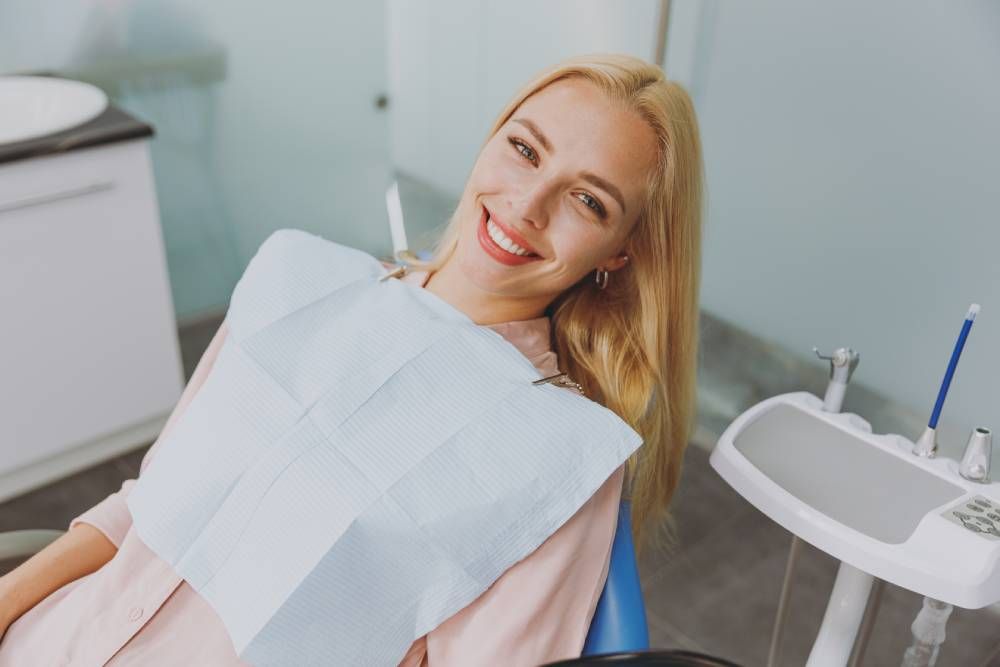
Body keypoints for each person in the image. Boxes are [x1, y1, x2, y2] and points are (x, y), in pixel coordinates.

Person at [0, 52, 703, 665]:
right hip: (49, 640)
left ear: (620, 251)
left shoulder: (563, 458)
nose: (527, 203)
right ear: (490, 141)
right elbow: (147, 508)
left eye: (587, 199)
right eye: (525, 149)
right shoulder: (296, 280)